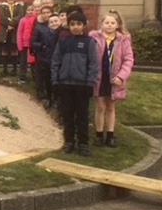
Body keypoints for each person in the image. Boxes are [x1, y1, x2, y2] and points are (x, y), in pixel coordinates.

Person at [51, 11, 98, 156]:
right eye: (72, 24)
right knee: (67, 115)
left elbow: (93, 64)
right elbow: (55, 62)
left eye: (78, 24)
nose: (75, 27)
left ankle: (83, 143)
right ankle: (69, 141)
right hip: (65, 84)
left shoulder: (89, 43)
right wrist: (55, 81)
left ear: (84, 26)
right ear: (68, 26)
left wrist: (90, 83)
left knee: (82, 116)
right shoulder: (63, 42)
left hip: (82, 85)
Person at [89, 10, 134, 148]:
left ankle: (110, 135)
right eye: (106, 22)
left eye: (112, 23)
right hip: (99, 78)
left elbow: (128, 59)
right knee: (100, 106)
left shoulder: (123, 40)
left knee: (110, 107)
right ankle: (98, 135)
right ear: (101, 24)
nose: (109, 25)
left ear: (117, 24)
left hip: (114, 79)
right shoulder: (94, 38)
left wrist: (121, 76)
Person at [32, 13, 61, 109]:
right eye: (51, 22)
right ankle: (50, 99)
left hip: (59, 62)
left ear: (60, 22)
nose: (54, 23)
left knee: (57, 82)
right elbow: (34, 43)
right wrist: (42, 46)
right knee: (48, 81)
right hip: (47, 60)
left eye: (56, 21)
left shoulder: (63, 34)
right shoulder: (45, 33)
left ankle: (57, 99)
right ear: (48, 25)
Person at [0, 0, 24, 77]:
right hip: (4, 31)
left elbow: (20, 15)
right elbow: (1, 17)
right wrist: (8, 25)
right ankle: (5, 70)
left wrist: (12, 24)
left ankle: (14, 70)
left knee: (14, 50)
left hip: (15, 30)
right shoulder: (2, 6)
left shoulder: (19, 6)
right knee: (4, 50)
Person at [30, 6, 54, 100]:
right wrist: (42, 46)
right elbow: (32, 42)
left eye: (48, 12)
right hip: (42, 55)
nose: (46, 14)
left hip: (53, 55)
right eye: (43, 13)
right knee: (40, 74)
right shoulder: (38, 27)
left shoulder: (55, 25)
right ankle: (40, 92)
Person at [16, 5, 36, 83]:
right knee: (23, 61)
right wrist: (19, 45)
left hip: (33, 44)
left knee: (34, 62)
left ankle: (35, 76)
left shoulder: (36, 19)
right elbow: (19, 33)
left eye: (32, 10)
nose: (30, 12)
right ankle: (22, 76)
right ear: (25, 11)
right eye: (28, 10)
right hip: (24, 44)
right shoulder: (22, 20)